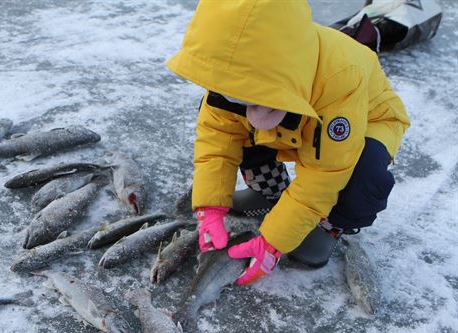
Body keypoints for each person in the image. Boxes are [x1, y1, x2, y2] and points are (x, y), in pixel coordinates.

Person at [166, 0, 410, 285]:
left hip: (364, 122)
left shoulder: (340, 78)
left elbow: (325, 173)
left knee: (365, 174)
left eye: (247, 97)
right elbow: (217, 139)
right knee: (235, 122)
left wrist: (274, 240)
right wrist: (210, 206)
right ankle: (269, 191)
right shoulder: (228, 73)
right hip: (289, 112)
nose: (231, 99)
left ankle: (330, 225)